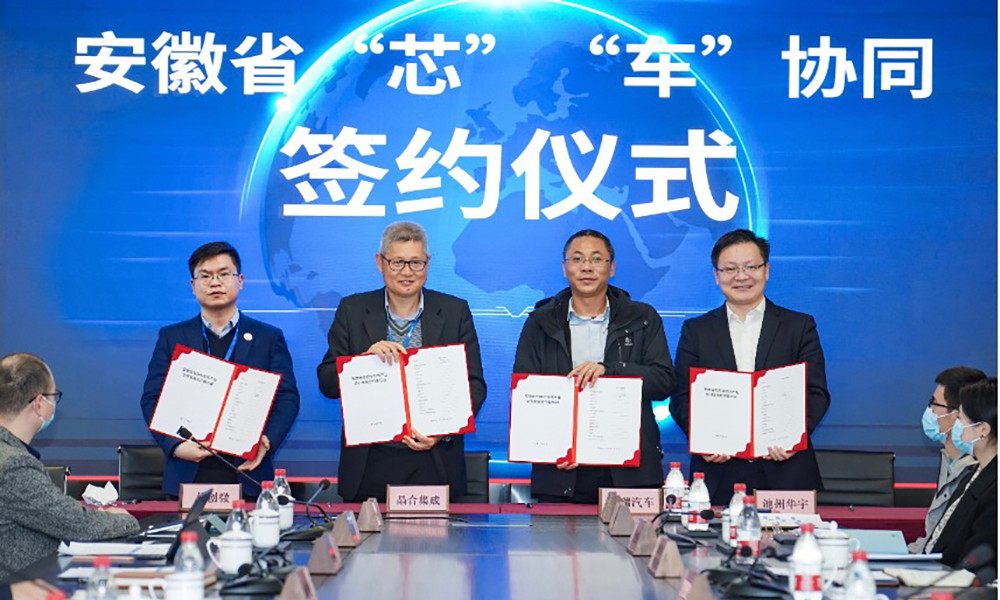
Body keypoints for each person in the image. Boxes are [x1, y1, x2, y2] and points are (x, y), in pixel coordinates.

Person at [317, 222, 487, 502]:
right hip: (370, 463)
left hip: (434, 461)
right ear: (380, 262)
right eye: (397, 263)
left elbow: (475, 386)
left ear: (428, 263)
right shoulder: (352, 310)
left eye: (416, 263)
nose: (407, 272)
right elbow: (327, 383)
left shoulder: (454, 311)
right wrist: (361, 363)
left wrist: (442, 431)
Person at [513, 229, 676, 503]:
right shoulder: (540, 322)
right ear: (565, 268)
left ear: (611, 268)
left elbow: (663, 381)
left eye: (597, 259)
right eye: (577, 259)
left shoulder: (643, 318)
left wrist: (611, 370)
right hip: (562, 471)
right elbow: (526, 394)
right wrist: (553, 447)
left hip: (629, 470)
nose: (586, 267)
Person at [669, 229, 831, 505]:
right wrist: (704, 439)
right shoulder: (697, 330)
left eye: (750, 267)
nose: (741, 276)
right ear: (716, 275)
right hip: (718, 472)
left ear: (766, 270)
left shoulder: (799, 326)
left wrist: (794, 437)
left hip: (786, 469)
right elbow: (681, 397)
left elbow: (816, 393)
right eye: (730, 269)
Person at [140, 242, 300, 498]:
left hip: (249, 472)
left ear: (240, 281)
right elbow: (153, 399)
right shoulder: (173, 337)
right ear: (193, 286)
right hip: (187, 472)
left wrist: (267, 441)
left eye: (224, 274)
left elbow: (287, 398)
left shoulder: (268, 337)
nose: (215, 282)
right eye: (205, 276)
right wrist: (176, 446)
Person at [0, 353, 140, 579]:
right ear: (39, 403)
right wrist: (123, 520)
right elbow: (75, 524)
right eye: (53, 396)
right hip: (23, 585)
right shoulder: (13, 465)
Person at [909, 366, 985, 553]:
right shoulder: (949, 459)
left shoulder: (977, 471)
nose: (930, 410)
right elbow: (932, 537)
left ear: (957, 415)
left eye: (934, 404)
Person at [928, 377, 997, 575]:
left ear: (983, 430)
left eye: (960, 419)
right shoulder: (975, 473)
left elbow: (977, 559)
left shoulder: (994, 488)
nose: (956, 425)